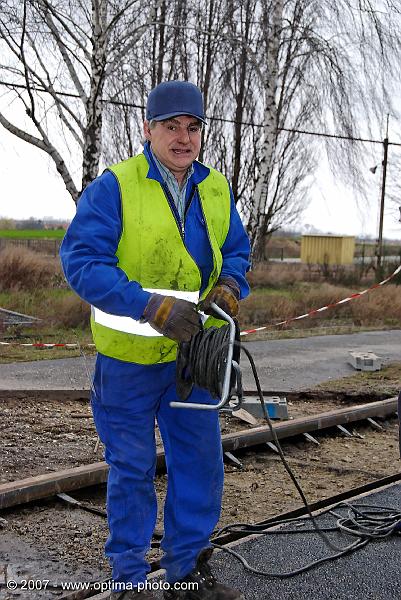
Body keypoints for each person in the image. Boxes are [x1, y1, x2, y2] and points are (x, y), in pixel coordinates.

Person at [60, 80, 250, 600]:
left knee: (200, 463)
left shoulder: (215, 188)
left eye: (193, 128)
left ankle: (186, 574)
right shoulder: (116, 186)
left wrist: (232, 284)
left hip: (193, 359)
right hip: (128, 361)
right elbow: (82, 263)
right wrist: (149, 306)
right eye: (171, 127)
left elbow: (237, 250)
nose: (183, 138)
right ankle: (128, 581)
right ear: (149, 130)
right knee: (132, 470)